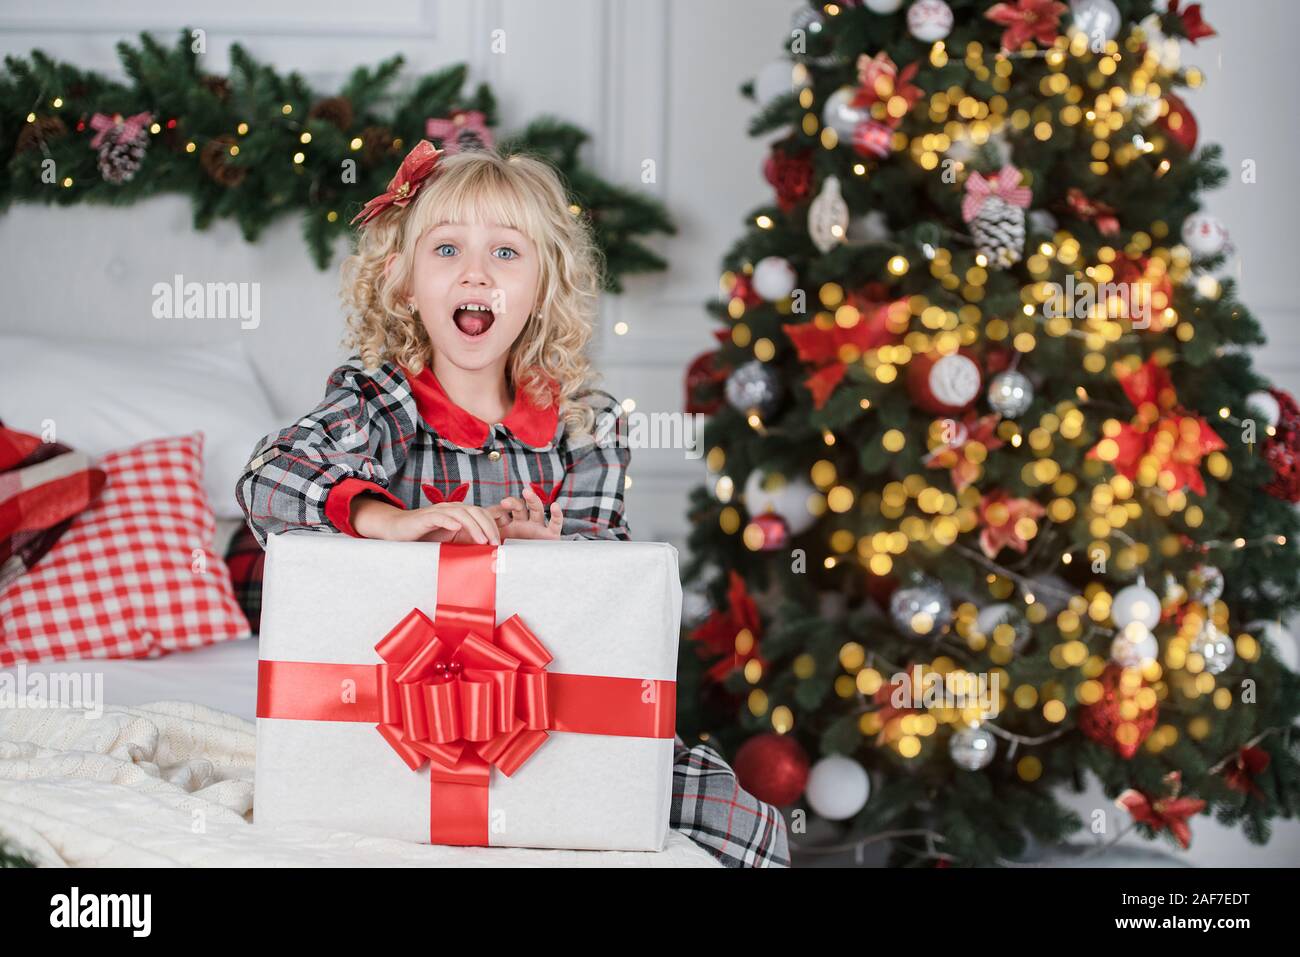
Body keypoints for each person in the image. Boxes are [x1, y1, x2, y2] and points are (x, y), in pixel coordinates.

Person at [235, 141, 789, 867]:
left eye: (505, 252)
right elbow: (266, 479)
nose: (475, 271)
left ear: (541, 287)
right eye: (445, 248)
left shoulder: (585, 424)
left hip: (555, 715)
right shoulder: (377, 400)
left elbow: (619, 604)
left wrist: (551, 561)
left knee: (755, 830)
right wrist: (388, 521)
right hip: (391, 719)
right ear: (402, 281)